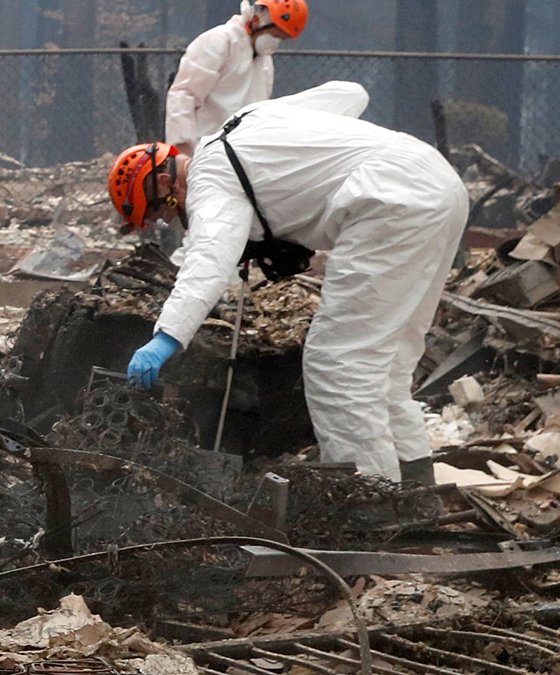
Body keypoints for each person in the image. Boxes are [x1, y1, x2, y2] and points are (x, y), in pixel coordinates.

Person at [110, 80, 465, 485]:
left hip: (389, 204)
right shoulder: (248, 120)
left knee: (339, 362)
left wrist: (167, 338)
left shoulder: (211, 179)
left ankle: (371, 501)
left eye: (162, 214)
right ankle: (415, 485)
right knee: (388, 360)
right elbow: (352, 93)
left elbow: (207, 261)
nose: (172, 220)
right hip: (437, 181)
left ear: (164, 186)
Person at [166, 0, 308, 150]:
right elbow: (184, 95)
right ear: (257, 20)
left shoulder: (264, 61)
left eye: (283, 39)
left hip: (241, 156)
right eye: (275, 35)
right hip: (204, 150)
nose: (275, 43)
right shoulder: (219, 42)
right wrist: (182, 146)